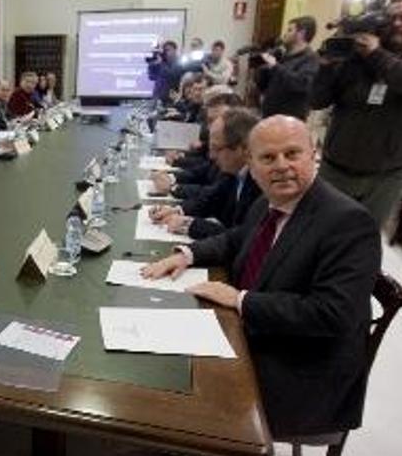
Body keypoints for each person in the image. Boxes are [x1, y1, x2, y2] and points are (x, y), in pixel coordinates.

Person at [142, 115, 380, 440]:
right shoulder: (269, 203)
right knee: (160, 350)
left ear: (314, 155)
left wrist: (241, 300)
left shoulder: (349, 222)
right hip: (258, 337)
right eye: (268, 158)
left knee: (170, 391)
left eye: (292, 154)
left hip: (302, 371)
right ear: (251, 166)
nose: (280, 165)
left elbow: (332, 314)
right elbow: (236, 239)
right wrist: (186, 255)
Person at [313, 0, 402, 226]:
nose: (397, 23)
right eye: (392, 18)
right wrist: (325, 68)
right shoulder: (354, 59)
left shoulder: (378, 56)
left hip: (384, 176)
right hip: (336, 168)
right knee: (318, 229)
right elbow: (317, 101)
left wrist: (375, 54)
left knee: (363, 238)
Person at [149, 108, 262, 239]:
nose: (211, 156)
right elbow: (212, 199)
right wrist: (177, 210)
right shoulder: (235, 172)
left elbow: (242, 237)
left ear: (243, 148)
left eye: (216, 149)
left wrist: (190, 225)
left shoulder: (260, 182)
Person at [256, 16, 320, 120]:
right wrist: (264, 70)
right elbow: (264, 85)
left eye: (290, 30)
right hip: (269, 115)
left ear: (301, 33)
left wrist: (276, 67)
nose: (285, 34)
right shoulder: (282, 55)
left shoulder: (311, 59)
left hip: (289, 121)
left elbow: (301, 84)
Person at [147, 40, 184, 105]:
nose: (166, 52)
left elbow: (172, 76)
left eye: (168, 50)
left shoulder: (180, 62)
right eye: (165, 50)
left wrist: (161, 64)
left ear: (175, 50)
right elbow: (151, 77)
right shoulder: (162, 62)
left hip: (172, 97)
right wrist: (154, 64)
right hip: (158, 96)